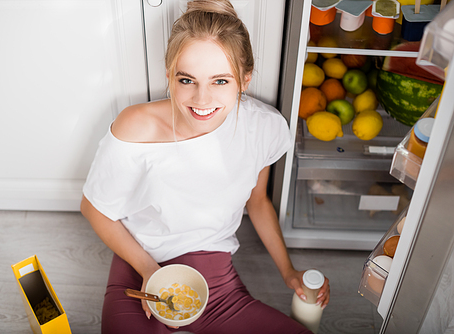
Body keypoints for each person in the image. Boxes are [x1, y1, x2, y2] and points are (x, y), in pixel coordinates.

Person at [81, 1, 330, 333]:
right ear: (169, 75)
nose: (201, 99)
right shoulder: (136, 127)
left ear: (244, 79)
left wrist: (288, 271)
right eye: (187, 80)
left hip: (216, 280)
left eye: (220, 81)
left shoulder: (264, 128)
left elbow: (257, 202)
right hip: (139, 265)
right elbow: (94, 208)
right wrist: (149, 270)